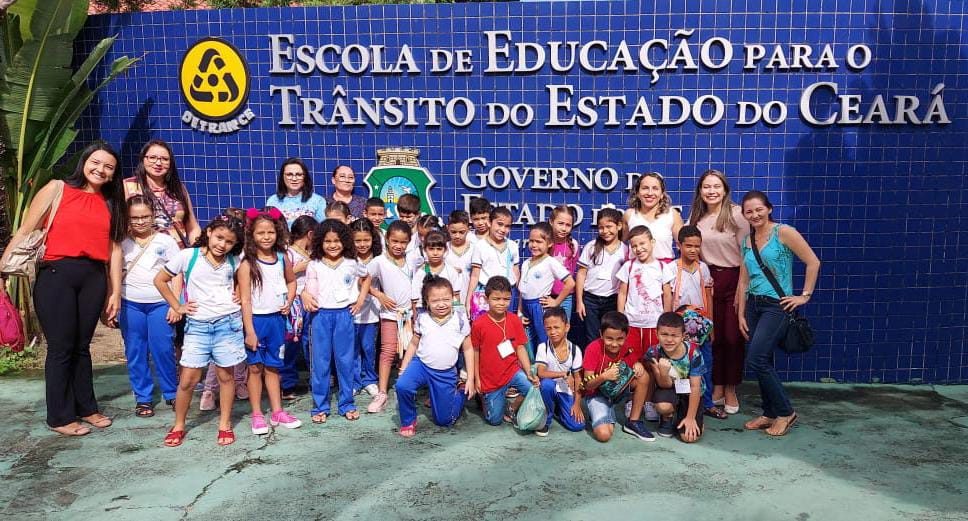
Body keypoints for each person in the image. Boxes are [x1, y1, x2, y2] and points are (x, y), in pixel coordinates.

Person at [1, 143, 126, 436]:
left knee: (82, 347)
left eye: (108, 166)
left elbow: (115, 250)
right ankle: (59, 416)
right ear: (84, 161)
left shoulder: (110, 201)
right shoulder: (57, 189)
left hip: (94, 277)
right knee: (61, 348)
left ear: (113, 174)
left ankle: (87, 407)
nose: (101, 169)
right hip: (57, 275)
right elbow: (25, 230)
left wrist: (115, 291)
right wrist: (3, 269)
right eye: (96, 162)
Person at [155, 215, 246, 447]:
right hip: (198, 326)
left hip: (228, 324)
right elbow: (160, 280)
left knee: (226, 377)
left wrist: (236, 290)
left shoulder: (235, 260)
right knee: (188, 379)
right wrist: (178, 306)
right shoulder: (188, 256)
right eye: (219, 237)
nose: (222, 244)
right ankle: (179, 425)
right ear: (209, 232)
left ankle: (224, 424)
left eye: (229, 241)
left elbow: (247, 279)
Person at [737, 191, 820, 437]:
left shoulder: (784, 232)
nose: (754, 215)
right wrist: (741, 313)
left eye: (758, 209)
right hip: (753, 304)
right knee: (765, 359)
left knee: (756, 359)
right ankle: (769, 412)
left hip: (777, 305)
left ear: (769, 209)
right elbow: (743, 281)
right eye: (749, 212)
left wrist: (804, 296)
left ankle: (786, 412)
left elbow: (813, 262)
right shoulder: (747, 240)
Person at [687, 169, 747, 414]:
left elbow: (745, 258)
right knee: (712, 336)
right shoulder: (696, 217)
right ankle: (718, 386)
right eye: (706, 187)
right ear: (700, 191)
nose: (711, 191)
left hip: (733, 278)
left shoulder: (737, 215)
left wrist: (742, 289)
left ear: (724, 189)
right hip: (707, 280)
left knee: (733, 338)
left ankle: (731, 387)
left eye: (716, 186)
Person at [237, 208, 301, 435]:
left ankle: (277, 411)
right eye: (261, 233)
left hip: (277, 321)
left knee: (274, 367)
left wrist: (289, 300)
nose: (266, 237)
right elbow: (244, 300)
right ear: (252, 235)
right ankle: (256, 414)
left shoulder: (283, 259)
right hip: (256, 321)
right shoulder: (247, 264)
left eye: (270, 232)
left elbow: (292, 282)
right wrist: (250, 331)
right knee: (255, 369)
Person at [301, 219, 371, 423]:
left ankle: (347, 403)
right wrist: (305, 294)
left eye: (337, 241)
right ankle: (320, 406)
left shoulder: (351, 263)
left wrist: (360, 299)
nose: (332, 245)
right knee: (320, 363)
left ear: (345, 242)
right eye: (327, 241)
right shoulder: (314, 264)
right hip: (320, 317)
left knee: (345, 361)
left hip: (344, 316)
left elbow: (367, 278)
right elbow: (307, 289)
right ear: (320, 242)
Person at [118, 195, 181, 418]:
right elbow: (113, 274)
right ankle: (143, 398)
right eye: (135, 217)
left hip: (160, 303)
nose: (140, 221)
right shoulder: (121, 241)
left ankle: (172, 392)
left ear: (153, 216)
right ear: (127, 218)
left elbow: (177, 274)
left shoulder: (166, 241)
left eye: (145, 216)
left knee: (163, 348)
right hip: (130, 303)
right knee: (135, 350)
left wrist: (176, 304)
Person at [395, 276, 477, 437]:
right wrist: (404, 367)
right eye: (435, 300)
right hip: (422, 365)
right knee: (402, 385)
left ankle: (459, 392)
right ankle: (409, 420)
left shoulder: (460, 320)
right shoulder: (423, 318)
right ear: (427, 301)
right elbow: (413, 344)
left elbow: (468, 349)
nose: (441, 304)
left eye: (446, 299)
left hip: (445, 372)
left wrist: (470, 379)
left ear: (453, 298)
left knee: (445, 421)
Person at [664, 225, 722, 419]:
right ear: (679, 245)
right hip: (679, 327)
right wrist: (667, 325)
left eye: (697, 246)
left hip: (701, 327)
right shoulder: (671, 268)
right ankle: (681, 403)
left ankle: (707, 403)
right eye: (688, 245)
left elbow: (708, 297)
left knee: (705, 363)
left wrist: (711, 327)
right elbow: (668, 298)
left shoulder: (703, 268)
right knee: (681, 366)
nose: (693, 250)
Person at [366, 220, 417, 413]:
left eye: (403, 242)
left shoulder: (413, 259)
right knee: (387, 352)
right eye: (394, 241)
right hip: (390, 314)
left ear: (409, 242)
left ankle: (405, 388)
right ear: (387, 239)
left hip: (411, 316)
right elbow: (362, 280)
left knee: (410, 353)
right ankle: (382, 392)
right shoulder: (379, 261)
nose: (398, 246)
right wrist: (379, 294)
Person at [472, 276, 536, 426]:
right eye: (496, 299)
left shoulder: (514, 320)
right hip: (490, 379)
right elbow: (475, 352)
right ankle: (484, 399)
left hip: (512, 371)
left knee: (533, 388)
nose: (501, 303)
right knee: (494, 421)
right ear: (487, 299)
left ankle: (512, 407)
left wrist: (528, 372)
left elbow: (520, 347)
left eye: (506, 299)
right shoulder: (478, 324)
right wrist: (477, 379)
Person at [581, 311, 654, 442]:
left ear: (626, 336)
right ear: (601, 334)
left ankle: (633, 422)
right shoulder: (592, 349)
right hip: (596, 394)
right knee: (604, 435)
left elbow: (634, 362)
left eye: (620, 339)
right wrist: (604, 377)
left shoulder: (626, 347)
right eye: (609, 338)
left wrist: (638, 364)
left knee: (643, 376)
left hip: (618, 390)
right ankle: (604, 413)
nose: (614, 344)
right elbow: (587, 385)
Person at [123, 140, 201, 248]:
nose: (158, 163)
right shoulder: (127, 186)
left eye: (164, 159)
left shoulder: (179, 188)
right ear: (143, 159)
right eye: (152, 157)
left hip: (177, 256)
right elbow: (119, 225)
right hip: (143, 255)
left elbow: (192, 226)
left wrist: (196, 253)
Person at [644, 312, 706, 442]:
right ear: (656, 334)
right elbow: (663, 385)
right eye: (664, 334)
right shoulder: (654, 352)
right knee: (663, 406)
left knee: (688, 438)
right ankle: (668, 416)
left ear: (683, 336)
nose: (669, 340)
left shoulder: (694, 353)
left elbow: (696, 387)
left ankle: (690, 416)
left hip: (691, 392)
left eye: (674, 335)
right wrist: (664, 372)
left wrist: (690, 418)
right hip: (669, 389)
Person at [518, 222, 575, 354]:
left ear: (549, 243)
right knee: (526, 340)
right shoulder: (526, 263)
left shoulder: (550, 262)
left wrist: (556, 302)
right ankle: (532, 368)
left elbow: (570, 283)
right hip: (526, 308)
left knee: (544, 339)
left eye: (539, 241)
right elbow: (522, 290)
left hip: (540, 306)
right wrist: (520, 312)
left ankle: (546, 368)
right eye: (531, 241)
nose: (534, 245)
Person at [575, 208, 628, 346]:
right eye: (601, 227)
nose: (605, 231)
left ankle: (609, 365)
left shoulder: (625, 250)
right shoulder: (591, 247)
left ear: (619, 226)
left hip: (612, 300)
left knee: (610, 337)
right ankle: (594, 365)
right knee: (592, 337)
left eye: (609, 227)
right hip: (590, 300)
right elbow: (581, 273)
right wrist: (579, 301)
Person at [280, 215, 316, 399]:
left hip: (309, 302)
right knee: (291, 342)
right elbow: (280, 276)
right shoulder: (289, 253)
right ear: (310, 234)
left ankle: (314, 379)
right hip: (293, 303)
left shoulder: (310, 254)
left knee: (309, 341)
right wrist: (298, 268)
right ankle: (287, 383)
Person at [534, 307, 584, 436]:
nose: (553, 332)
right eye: (548, 328)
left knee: (577, 425)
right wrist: (563, 374)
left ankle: (558, 409)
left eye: (556, 327)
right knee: (547, 384)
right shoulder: (543, 347)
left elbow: (578, 379)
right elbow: (541, 372)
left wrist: (577, 404)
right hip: (547, 388)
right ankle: (547, 418)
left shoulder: (575, 350)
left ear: (566, 327)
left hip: (565, 390)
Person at [466, 207, 520, 320]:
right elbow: (475, 276)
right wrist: (468, 301)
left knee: (506, 328)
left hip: (508, 294)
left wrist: (520, 300)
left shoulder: (512, 246)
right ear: (489, 223)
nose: (503, 229)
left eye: (507, 226)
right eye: (499, 224)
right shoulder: (480, 246)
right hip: (486, 295)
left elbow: (516, 272)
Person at [350, 219, 381, 397]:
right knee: (353, 348)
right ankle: (355, 380)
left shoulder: (378, 259)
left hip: (371, 313)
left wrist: (378, 296)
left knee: (368, 347)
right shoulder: (347, 259)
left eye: (366, 240)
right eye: (358, 240)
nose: (362, 245)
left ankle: (369, 379)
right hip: (351, 310)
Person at [624, 172, 682, 264]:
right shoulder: (629, 215)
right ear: (638, 193)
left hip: (664, 273)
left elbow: (685, 245)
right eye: (645, 188)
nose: (650, 193)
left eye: (655, 188)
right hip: (635, 273)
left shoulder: (672, 214)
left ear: (662, 194)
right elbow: (619, 245)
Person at [411, 229, 463, 316]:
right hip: (425, 316)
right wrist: (415, 324)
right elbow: (415, 301)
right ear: (425, 249)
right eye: (431, 249)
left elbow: (456, 297)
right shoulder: (420, 273)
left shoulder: (451, 272)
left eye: (439, 249)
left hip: (448, 318)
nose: (435, 253)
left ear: (445, 249)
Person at [265, 157, 327, 227]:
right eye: (289, 175)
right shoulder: (273, 201)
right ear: (283, 177)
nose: (294, 179)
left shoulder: (318, 201)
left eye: (299, 175)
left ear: (305, 177)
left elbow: (323, 229)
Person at [549, 205, 580, 320]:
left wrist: (558, 300)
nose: (564, 228)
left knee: (562, 331)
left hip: (566, 298)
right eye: (560, 223)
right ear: (551, 222)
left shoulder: (574, 245)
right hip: (546, 296)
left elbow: (572, 273)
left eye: (568, 225)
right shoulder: (545, 243)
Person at [444, 210, 473, 298]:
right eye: (453, 232)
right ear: (447, 228)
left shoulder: (475, 249)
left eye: (461, 232)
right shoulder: (442, 249)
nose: (457, 236)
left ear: (468, 229)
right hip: (448, 300)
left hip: (471, 299)